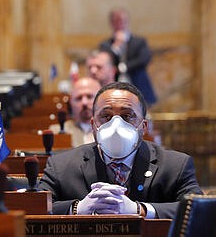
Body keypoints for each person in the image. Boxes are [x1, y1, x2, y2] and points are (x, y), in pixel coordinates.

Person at [38, 81, 203, 219]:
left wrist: (140, 210)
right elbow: (34, 207)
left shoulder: (175, 165)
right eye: (106, 117)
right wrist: (77, 209)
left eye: (127, 116)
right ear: (93, 125)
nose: (116, 125)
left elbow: (198, 210)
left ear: (143, 126)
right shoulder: (61, 166)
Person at [99, 7, 157, 105]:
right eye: (117, 21)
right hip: (114, 91)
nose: (121, 23)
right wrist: (116, 47)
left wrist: (123, 68)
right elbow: (104, 62)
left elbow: (144, 59)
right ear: (112, 23)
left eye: (123, 20)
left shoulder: (139, 42)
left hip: (139, 87)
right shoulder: (105, 45)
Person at [49, 77, 101, 147]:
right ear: (70, 103)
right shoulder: (56, 132)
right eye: (79, 98)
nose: (84, 102)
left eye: (89, 97)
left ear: (101, 100)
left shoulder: (109, 130)